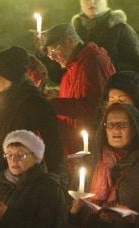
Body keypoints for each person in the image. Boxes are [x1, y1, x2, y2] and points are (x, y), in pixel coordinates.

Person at [0, 46, 65, 180]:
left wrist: (48, 181)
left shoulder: (35, 104)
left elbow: (53, 150)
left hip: (28, 183)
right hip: (5, 178)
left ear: (5, 75)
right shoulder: (3, 102)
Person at [42, 23, 116, 153]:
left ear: (70, 41)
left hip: (91, 144)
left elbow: (93, 106)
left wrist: (51, 104)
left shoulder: (92, 62)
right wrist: (55, 95)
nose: (52, 58)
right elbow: (76, 96)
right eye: (49, 54)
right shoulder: (73, 65)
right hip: (77, 142)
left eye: (53, 51)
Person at [65, 0, 139, 76]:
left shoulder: (120, 29)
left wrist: (102, 66)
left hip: (112, 85)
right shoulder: (73, 33)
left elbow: (136, 67)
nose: (92, 2)